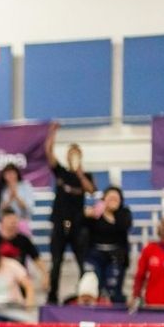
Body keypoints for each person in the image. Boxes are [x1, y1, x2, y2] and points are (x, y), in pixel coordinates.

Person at [45, 123, 97, 305]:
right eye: (71, 154)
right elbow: (49, 154)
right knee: (56, 262)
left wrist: (80, 174)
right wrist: (52, 133)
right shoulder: (61, 172)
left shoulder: (86, 176)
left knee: (82, 262)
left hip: (78, 225)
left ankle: (84, 295)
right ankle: (52, 297)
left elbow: (91, 190)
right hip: (60, 223)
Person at [84, 186, 132, 304]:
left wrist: (109, 213)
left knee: (114, 288)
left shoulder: (124, 213)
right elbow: (79, 225)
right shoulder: (94, 213)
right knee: (94, 284)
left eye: (116, 198)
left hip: (116, 255)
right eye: (110, 197)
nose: (113, 200)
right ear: (103, 199)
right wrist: (86, 214)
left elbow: (124, 226)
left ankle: (117, 313)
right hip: (95, 254)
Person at [130, 214, 164, 308]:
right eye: (163, 223)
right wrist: (135, 295)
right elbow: (140, 276)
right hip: (153, 304)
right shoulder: (149, 249)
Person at [0, 208, 48, 283]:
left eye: (15, 220)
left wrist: (45, 275)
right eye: (10, 220)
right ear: (2, 221)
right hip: (0, 280)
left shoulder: (24, 240)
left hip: (20, 279)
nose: (13, 222)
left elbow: (36, 258)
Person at [0, 162, 36, 233]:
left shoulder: (25, 186)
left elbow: (29, 208)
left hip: (22, 221)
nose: (10, 176)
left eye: (12, 173)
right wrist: (10, 199)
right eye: (7, 173)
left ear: (17, 173)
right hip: (6, 224)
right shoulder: (3, 189)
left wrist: (17, 197)